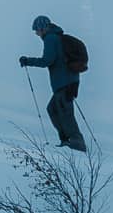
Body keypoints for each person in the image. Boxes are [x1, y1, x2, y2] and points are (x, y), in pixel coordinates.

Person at [19, 14, 87, 151]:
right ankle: (66, 139)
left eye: (37, 30)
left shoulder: (50, 38)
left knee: (65, 112)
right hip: (67, 81)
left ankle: (76, 142)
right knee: (53, 109)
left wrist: (28, 61)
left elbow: (47, 61)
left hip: (65, 82)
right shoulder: (55, 37)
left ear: (43, 28)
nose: (37, 34)